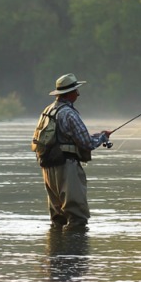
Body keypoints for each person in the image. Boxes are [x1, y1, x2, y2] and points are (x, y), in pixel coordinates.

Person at [40, 73, 111, 230]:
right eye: (76, 90)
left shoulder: (48, 110)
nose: (78, 93)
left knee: (58, 218)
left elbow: (65, 138)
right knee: (77, 217)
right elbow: (86, 143)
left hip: (48, 167)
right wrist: (102, 137)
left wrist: (99, 136)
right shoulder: (69, 113)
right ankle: (75, 253)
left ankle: (56, 251)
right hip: (67, 167)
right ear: (69, 93)